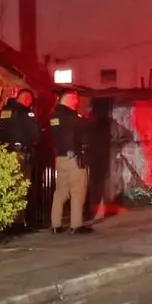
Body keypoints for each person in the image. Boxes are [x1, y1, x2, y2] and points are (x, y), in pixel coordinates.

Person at [0, 88, 42, 231]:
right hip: (21, 155)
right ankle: (18, 222)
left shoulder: (5, 111)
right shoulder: (26, 113)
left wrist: (2, 142)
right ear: (27, 99)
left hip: (5, 154)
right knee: (21, 188)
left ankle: (6, 221)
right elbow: (36, 134)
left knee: (8, 187)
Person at [48, 88, 93, 235]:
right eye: (75, 99)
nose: (77, 102)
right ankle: (76, 225)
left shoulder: (53, 117)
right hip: (74, 160)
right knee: (78, 192)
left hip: (60, 159)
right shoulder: (74, 118)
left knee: (60, 193)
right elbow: (87, 128)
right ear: (68, 99)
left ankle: (55, 224)